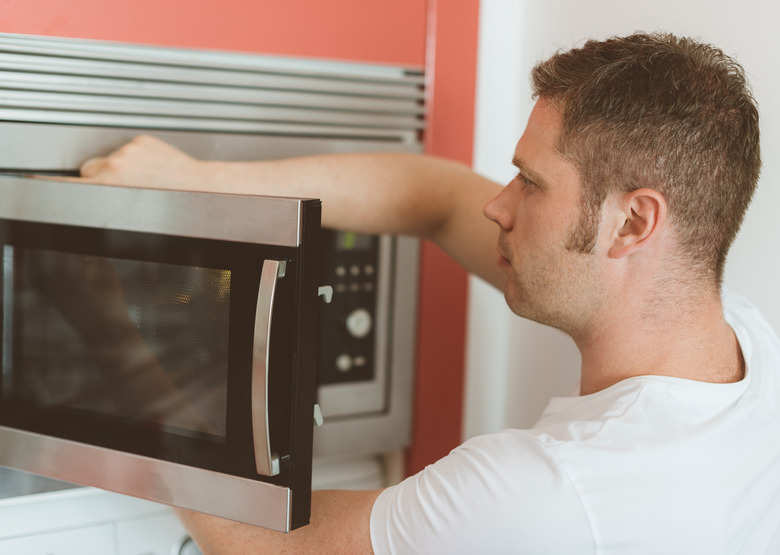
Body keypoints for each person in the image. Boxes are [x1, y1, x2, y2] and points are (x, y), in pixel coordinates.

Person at [77, 32, 780, 553]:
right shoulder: (748, 349)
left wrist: (106, 325)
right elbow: (440, 197)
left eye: (530, 184)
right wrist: (201, 181)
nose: (497, 207)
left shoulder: (551, 490)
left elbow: (261, 541)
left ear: (632, 222)